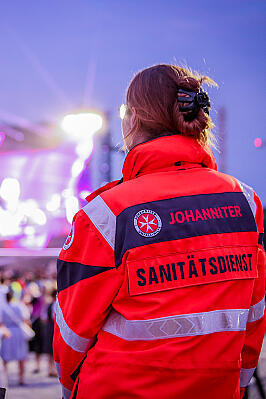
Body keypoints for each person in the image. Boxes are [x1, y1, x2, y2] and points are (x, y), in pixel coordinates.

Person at [53, 64, 266, 399]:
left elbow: (72, 334)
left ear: (134, 118)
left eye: (124, 111)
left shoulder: (106, 214)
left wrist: (69, 391)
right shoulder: (247, 204)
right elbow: (253, 315)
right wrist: (234, 384)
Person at [0, 290, 29, 386]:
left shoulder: (3, 308)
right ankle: (21, 378)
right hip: (18, 332)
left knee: (5, 356)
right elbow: (25, 319)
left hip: (8, 332)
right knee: (21, 356)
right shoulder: (19, 306)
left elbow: (1, 323)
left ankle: (4, 378)